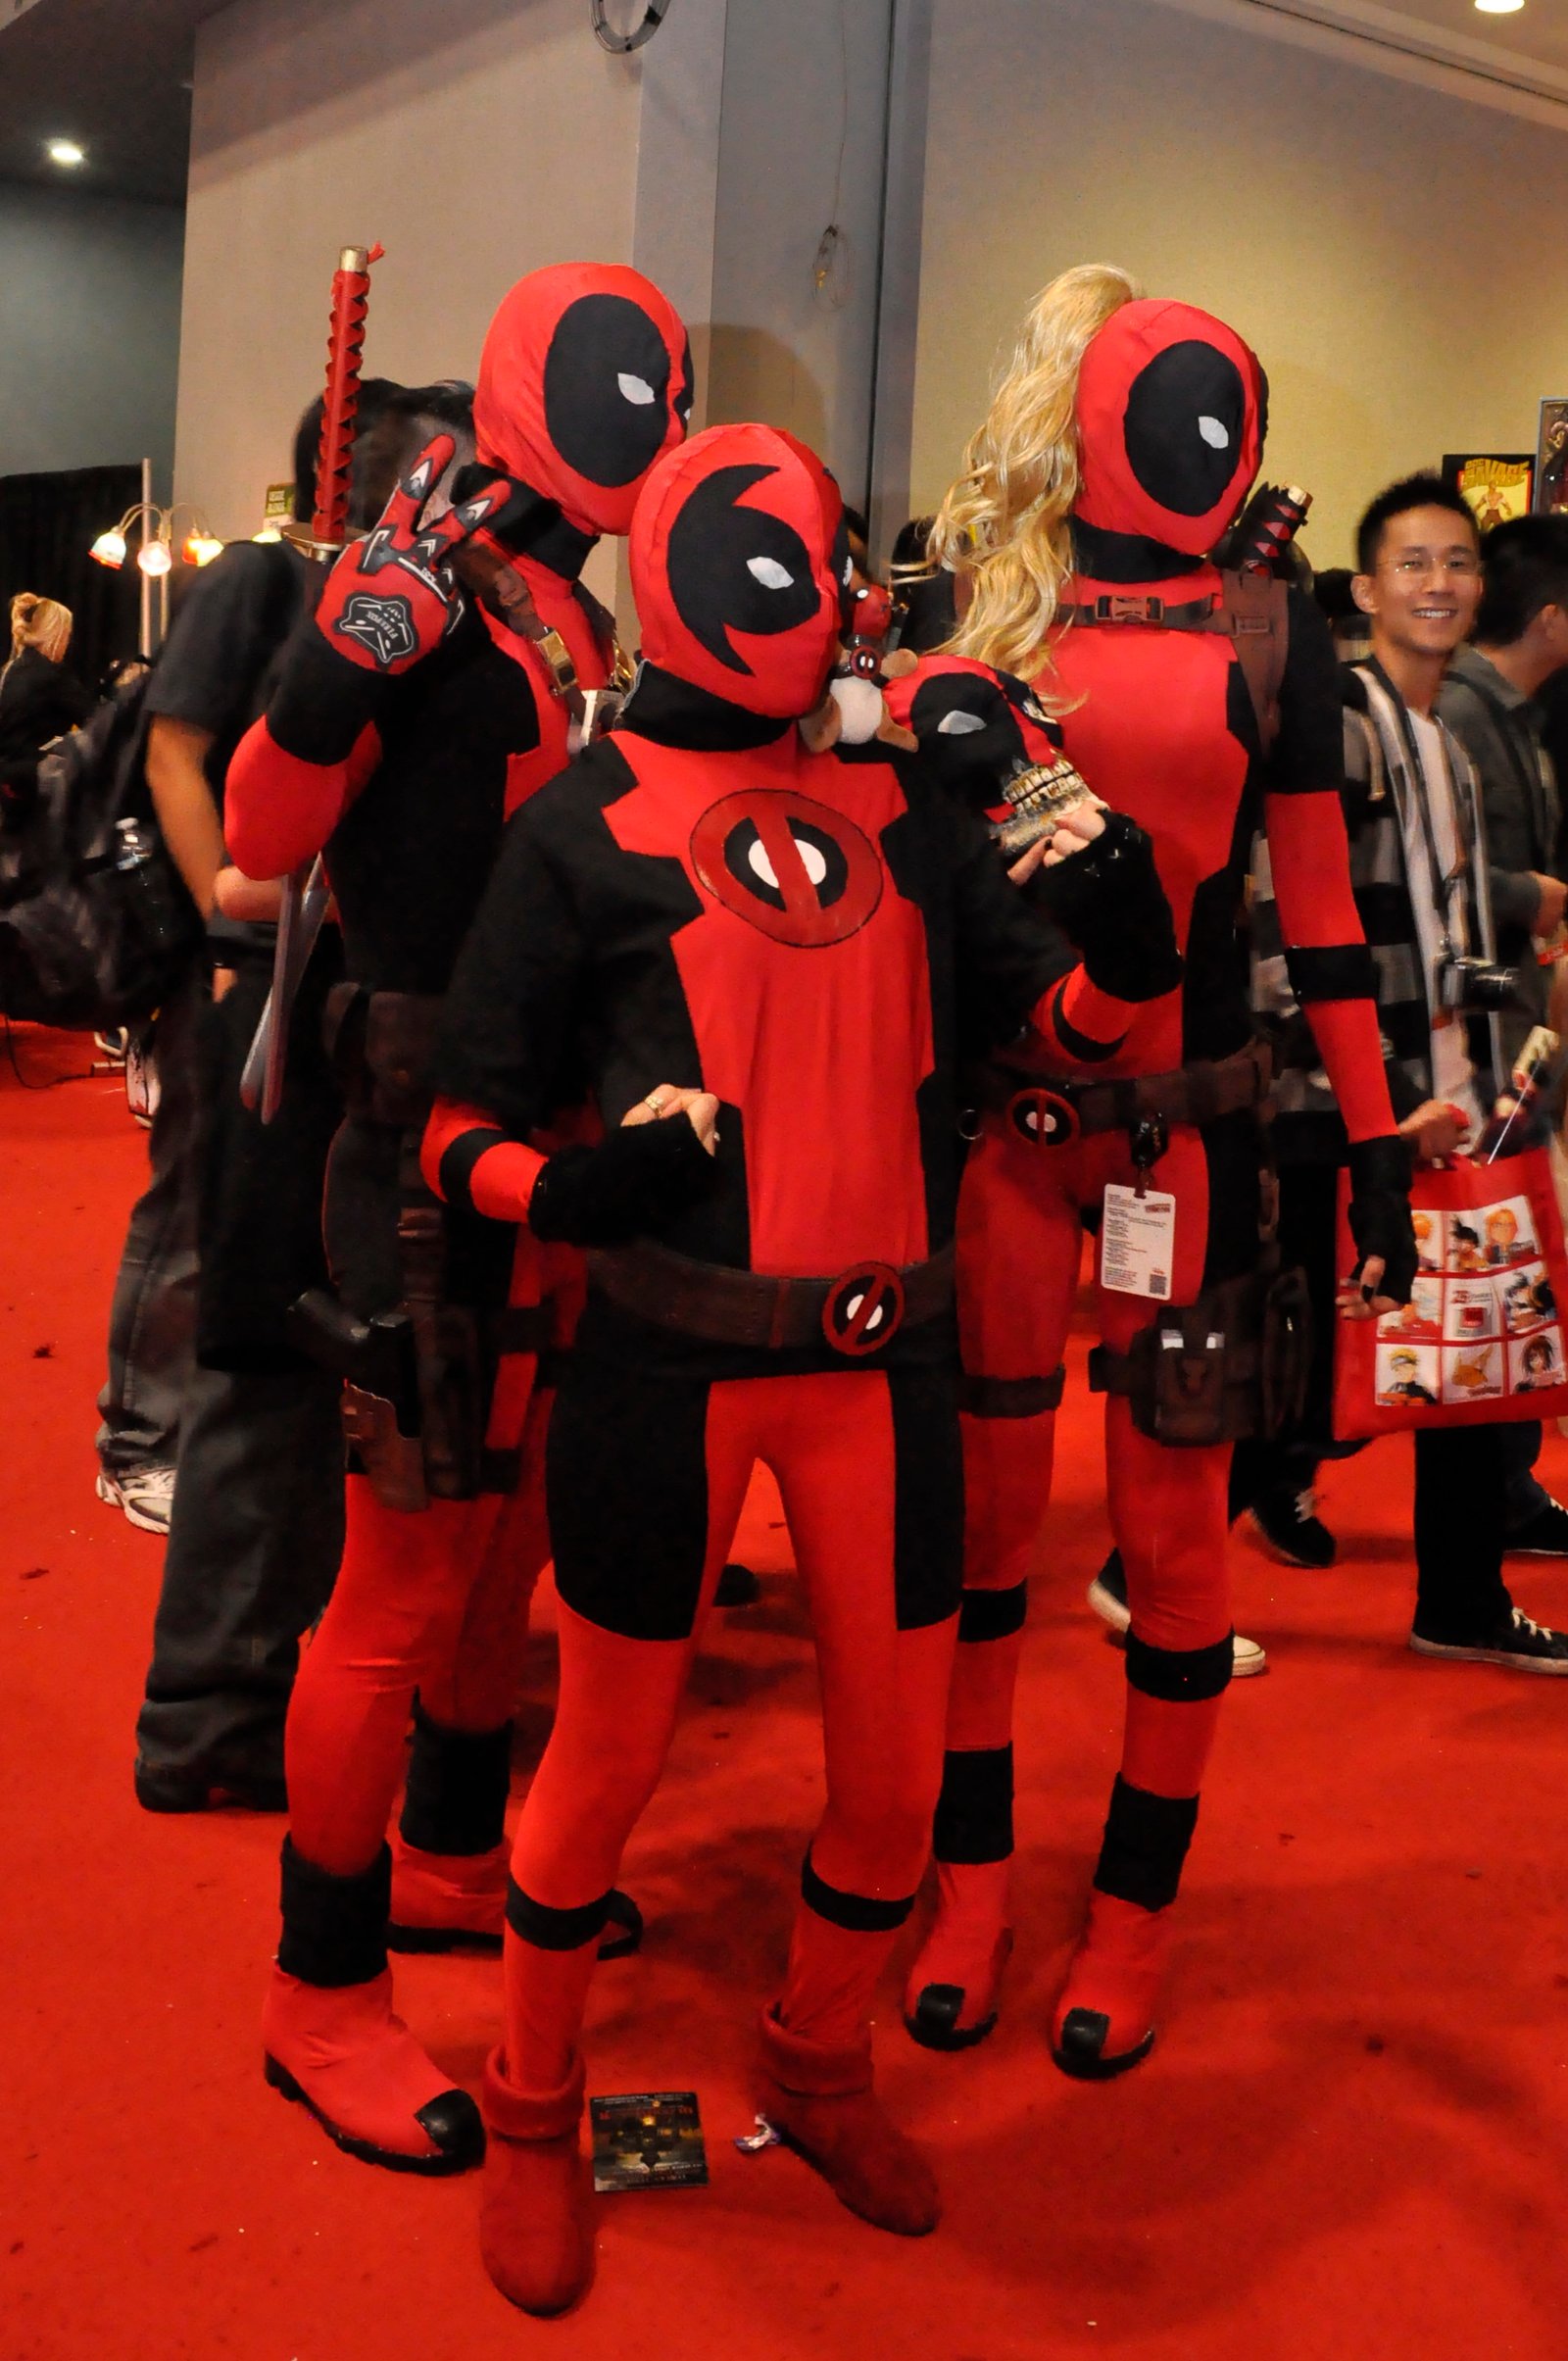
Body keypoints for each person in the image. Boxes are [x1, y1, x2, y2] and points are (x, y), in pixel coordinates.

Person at [420, 415, 1181, 2316]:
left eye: (831, 560)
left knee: (892, 1786)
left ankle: (816, 2052)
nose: (826, 596)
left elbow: (1056, 1032)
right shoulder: (577, 830)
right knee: (596, 1768)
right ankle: (531, 2100)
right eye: (791, 563)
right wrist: (586, 1186)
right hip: (667, 1369)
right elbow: (457, 1130)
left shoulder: (912, 817)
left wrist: (1121, 940)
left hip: (882, 1360)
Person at [902, 271, 1414, 2075]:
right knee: (973, 1544)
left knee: (1177, 1539)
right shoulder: (992, 608)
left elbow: (1329, 916)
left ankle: (1135, 1905)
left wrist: (1371, 1142)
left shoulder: (1274, 631)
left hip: (1180, 1139)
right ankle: (965, 1883)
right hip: (1003, 1140)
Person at [224, 262, 693, 2179]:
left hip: (553, 1131)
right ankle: (316, 1995)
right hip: (413, 1146)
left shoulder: (572, 617)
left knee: (500, 1550)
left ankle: (442, 1850)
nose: (621, 409)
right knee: (398, 1580)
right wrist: (338, 658)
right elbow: (262, 836)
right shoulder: (424, 606)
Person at [131, 381, 466, 1813]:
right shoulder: (285, 591)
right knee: (259, 1348)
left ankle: (290, 1686)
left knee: (334, 1354)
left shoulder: (438, 627)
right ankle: (210, 1715)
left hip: (358, 1024)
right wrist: (231, 886)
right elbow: (185, 751)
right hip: (268, 1003)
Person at [1249, 472, 1568, 1669]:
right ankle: (1157, 1560)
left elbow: (1447, 930)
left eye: (1458, 565)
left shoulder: (1441, 736)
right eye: (1414, 565)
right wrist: (1375, 1094)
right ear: (1369, 586)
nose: (1439, 585)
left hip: (1441, 1094)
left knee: (1465, 1368)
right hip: (1349, 1100)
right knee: (1302, 1354)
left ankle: (1461, 1600)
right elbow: (1293, 917)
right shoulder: (1343, 720)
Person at [1437, 513, 1568, 1556]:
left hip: (1516, 1038)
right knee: (1463, 1296)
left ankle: (1508, 1494)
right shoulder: (1463, 717)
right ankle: (1275, 1473)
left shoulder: (1513, 713)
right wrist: (1533, 896)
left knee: (1514, 1291)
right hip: (1473, 1050)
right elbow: (1429, 875)